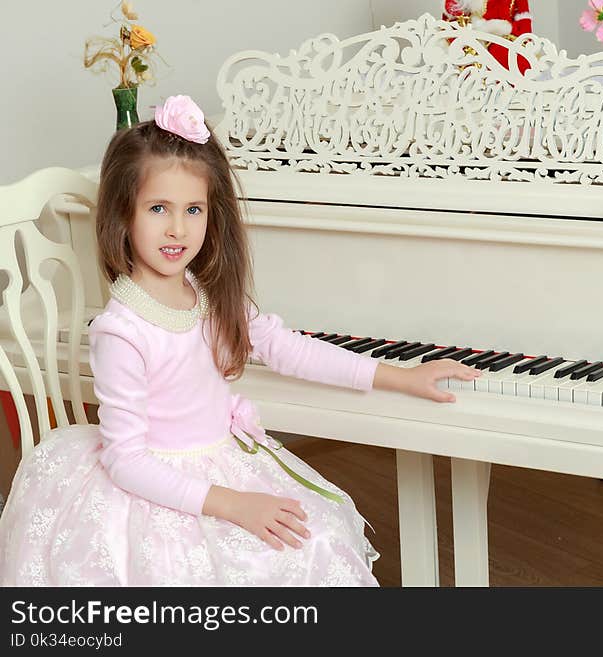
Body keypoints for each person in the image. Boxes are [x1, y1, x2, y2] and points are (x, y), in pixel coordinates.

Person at [0, 95, 480, 586]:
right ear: (123, 216)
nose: (178, 228)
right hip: (161, 490)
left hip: (223, 463)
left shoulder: (206, 295)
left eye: (194, 209)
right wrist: (234, 505)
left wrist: (400, 377)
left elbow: (288, 349)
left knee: (314, 537)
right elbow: (127, 462)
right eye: (158, 208)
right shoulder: (122, 331)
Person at [443, 0, 533, 73]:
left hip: (505, 38)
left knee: (511, 60)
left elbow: (524, 21)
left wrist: (525, 42)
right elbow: (452, 18)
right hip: (472, 38)